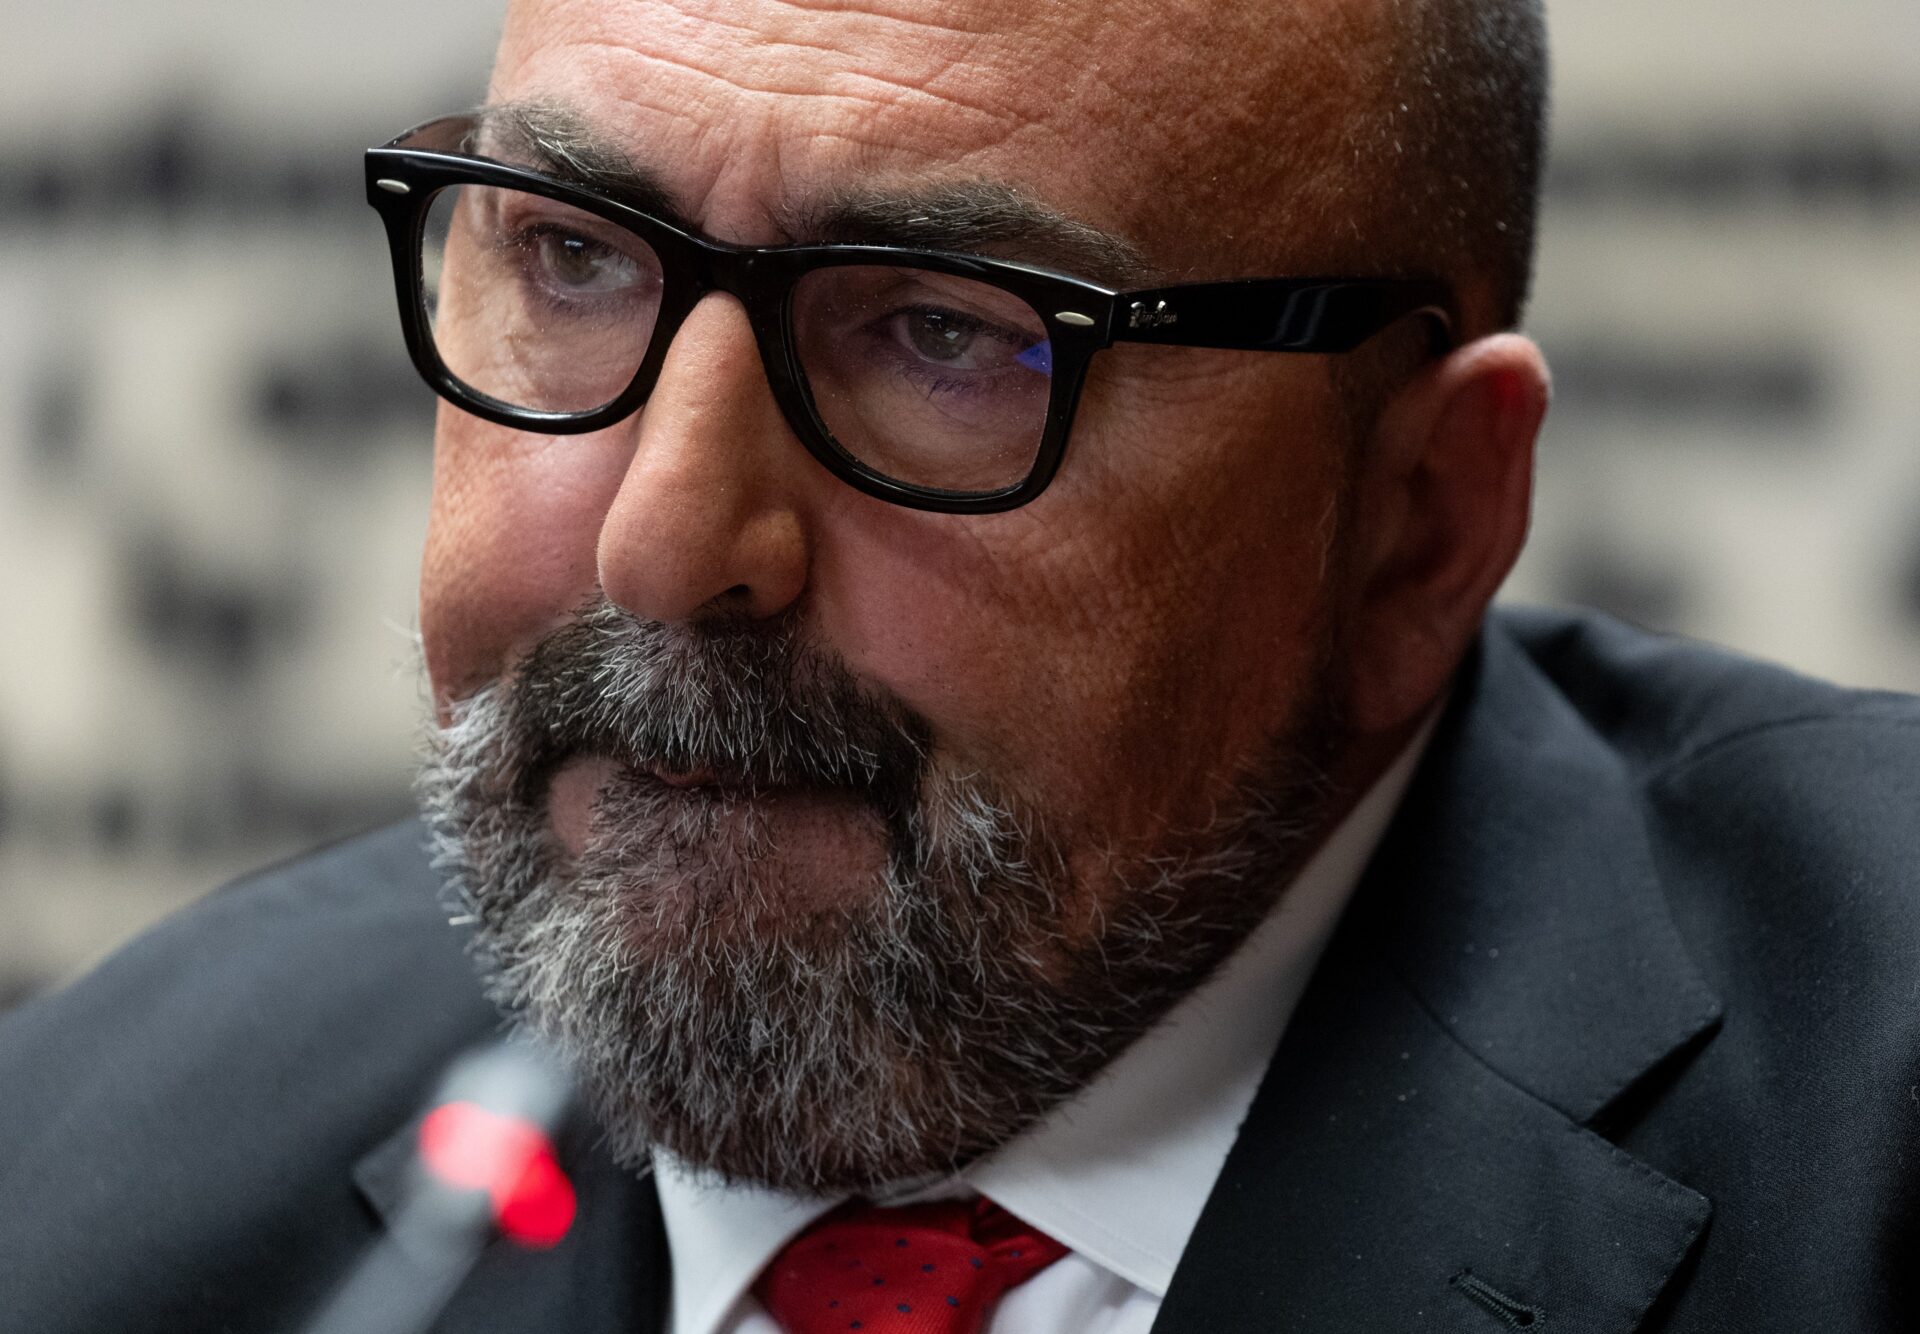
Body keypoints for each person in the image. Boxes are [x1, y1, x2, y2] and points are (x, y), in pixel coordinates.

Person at [2, 0, 1916, 1330]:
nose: (665, 544)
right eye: (574, 259)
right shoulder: (96, 1175)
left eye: (948, 334)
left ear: (1419, 516)